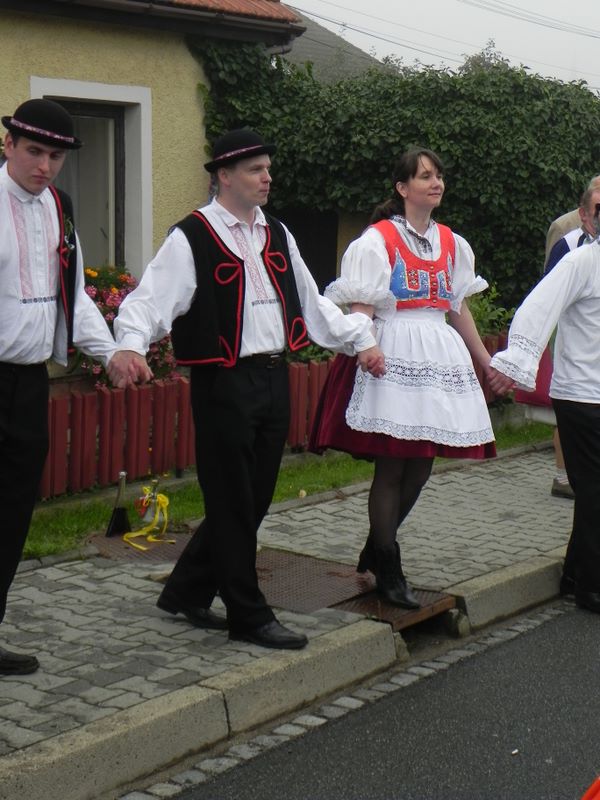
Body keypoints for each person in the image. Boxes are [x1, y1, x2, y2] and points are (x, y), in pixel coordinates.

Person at [108, 128, 385, 650]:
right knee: (233, 501)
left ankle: (188, 589)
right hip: (224, 382)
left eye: (267, 168)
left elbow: (309, 302)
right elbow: (150, 300)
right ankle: (248, 614)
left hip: (274, 377)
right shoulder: (193, 235)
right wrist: (130, 344)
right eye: (256, 169)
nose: (267, 177)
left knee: (251, 499)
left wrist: (360, 340)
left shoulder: (275, 231)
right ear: (225, 176)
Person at [309, 147, 513, 609]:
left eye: (438, 175)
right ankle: (388, 564)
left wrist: (485, 359)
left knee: (421, 466)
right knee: (393, 465)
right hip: (393, 351)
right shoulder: (377, 240)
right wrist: (366, 345)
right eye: (424, 176)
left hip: (436, 356)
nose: (435, 182)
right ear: (402, 188)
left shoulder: (452, 243)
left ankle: (378, 545)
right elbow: (361, 307)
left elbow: (456, 307)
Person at [0, 99, 118, 675]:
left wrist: (113, 352)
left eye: (56, 156)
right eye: (34, 151)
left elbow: (73, 295)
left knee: (12, 515)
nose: (44, 166)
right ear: (8, 145)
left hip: (27, 384)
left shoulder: (60, 208)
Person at [489, 204, 600, 613]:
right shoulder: (582, 262)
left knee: (593, 491)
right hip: (580, 394)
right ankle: (591, 586)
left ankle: (574, 573)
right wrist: (517, 362)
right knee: (594, 490)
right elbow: (538, 308)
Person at [543, 181, 600, 500]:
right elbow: (549, 295)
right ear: (585, 212)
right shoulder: (567, 237)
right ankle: (562, 474)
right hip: (576, 359)